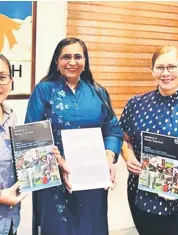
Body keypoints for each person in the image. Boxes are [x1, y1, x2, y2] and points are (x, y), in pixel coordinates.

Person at [25, 37, 123, 235]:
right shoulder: (44, 91)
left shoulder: (99, 92)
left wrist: (109, 157)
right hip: (55, 180)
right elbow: (31, 136)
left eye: (78, 56)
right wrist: (58, 162)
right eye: (66, 57)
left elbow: (113, 130)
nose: (72, 62)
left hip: (92, 181)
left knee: (92, 228)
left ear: (85, 61)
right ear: (56, 61)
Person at [0, 51, 62, 235]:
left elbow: (17, 163)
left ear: (11, 81)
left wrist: (45, 157)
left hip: (10, 222)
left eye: (2, 77)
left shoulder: (11, 117)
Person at [120, 45, 178, 235]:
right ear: (152, 71)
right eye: (160, 67)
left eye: (172, 67)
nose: (165, 73)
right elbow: (124, 139)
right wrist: (128, 157)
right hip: (141, 192)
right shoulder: (136, 104)